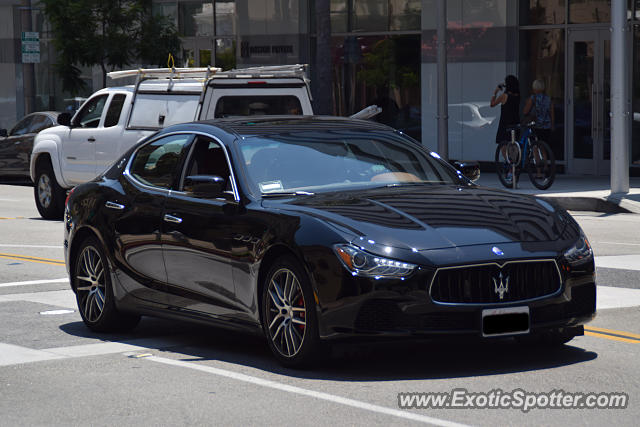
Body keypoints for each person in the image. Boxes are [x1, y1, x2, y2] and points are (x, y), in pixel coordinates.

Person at [490, 75, 521, 145]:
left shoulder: (504, 96)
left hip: (505, 124)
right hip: (515, 122)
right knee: (513, 145)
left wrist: (495, 92)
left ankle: (508, 156)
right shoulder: (518, 95)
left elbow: (492, 104)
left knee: (503, 146)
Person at [523, 79, 554, 144]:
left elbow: (525, 111)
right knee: (544, 146)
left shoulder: (533, 98)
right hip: (546, 126)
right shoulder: (548, 98)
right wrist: (552, 125)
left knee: (536, 147)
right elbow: (552, 113)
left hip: (536, 126)